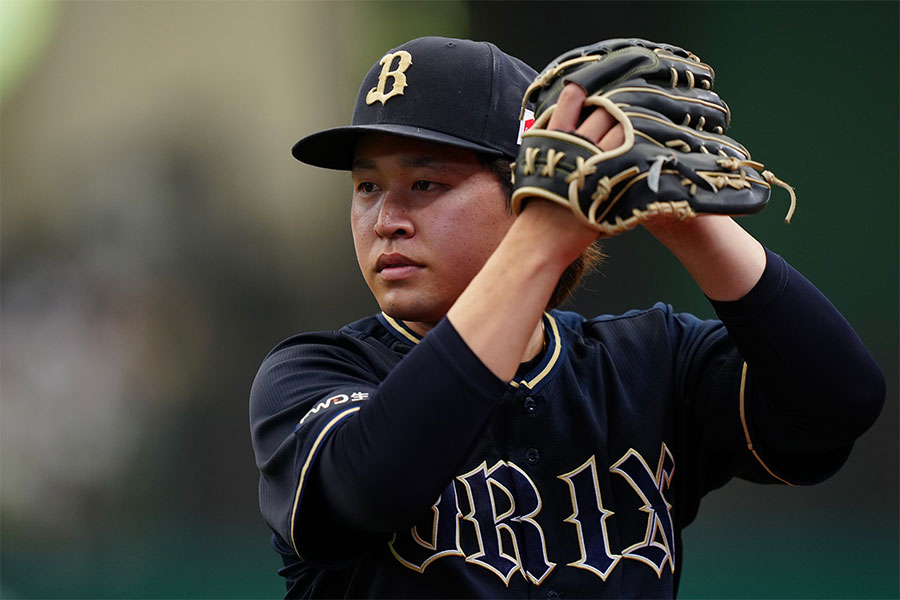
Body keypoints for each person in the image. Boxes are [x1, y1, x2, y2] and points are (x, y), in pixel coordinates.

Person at [249, 36, 885, 598]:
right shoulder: (313, 375)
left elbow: (838, 404)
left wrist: (693, 224)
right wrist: (546, 235)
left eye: (426, 185)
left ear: (521, 189)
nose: (386, 219)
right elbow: (372, 483)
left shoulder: (646, 363)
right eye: (366, 187)